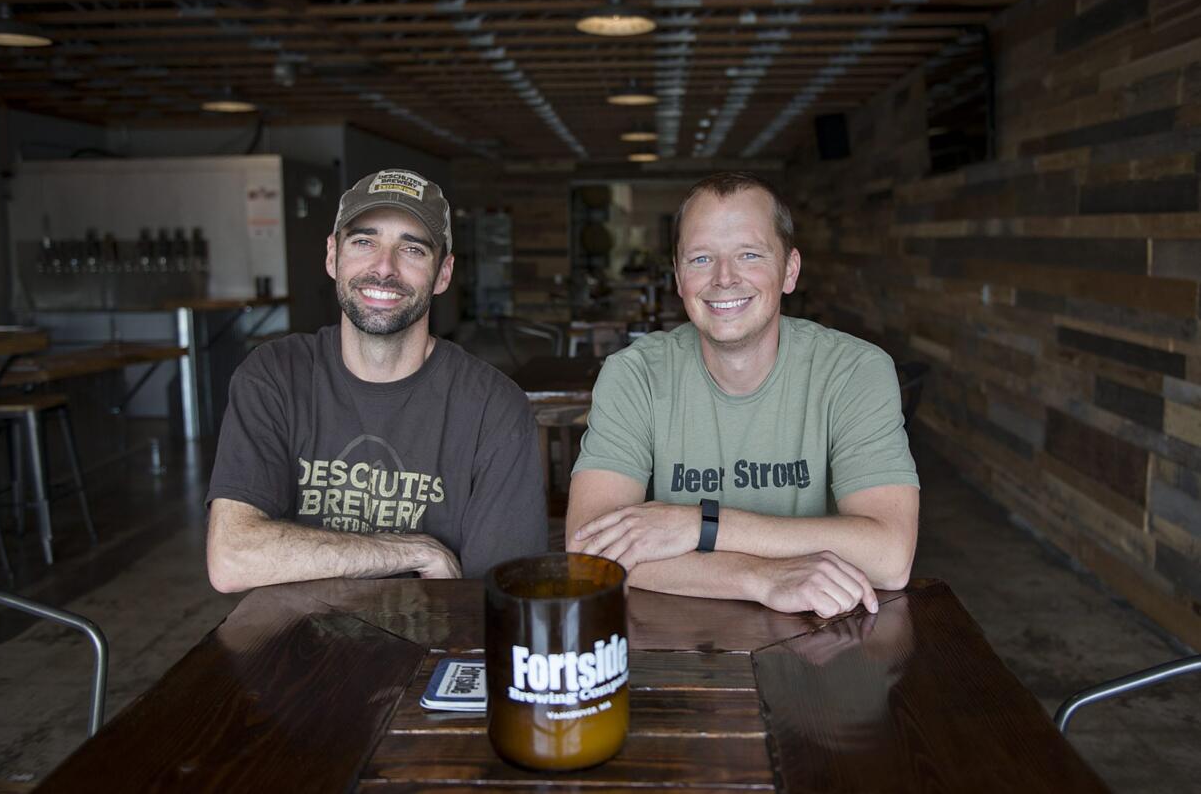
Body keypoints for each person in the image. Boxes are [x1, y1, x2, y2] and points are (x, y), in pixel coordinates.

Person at [566, 172, 918, 618]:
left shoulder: (855, 371)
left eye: (749, 255)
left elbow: (889, 557)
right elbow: (588, 553)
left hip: (822, 637)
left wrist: (698, 524)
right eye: (700, 259)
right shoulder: (634, 375)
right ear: (678, 277)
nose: (724, 278)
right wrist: (759, 578)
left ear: (789, 270)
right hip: (672, 638)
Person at [206, 169, 546, 592]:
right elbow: (231, 558)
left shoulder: (493, 408)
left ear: (443, 274)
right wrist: (412, 551)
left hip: (435, 646)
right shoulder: (274, 376)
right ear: (333, 256)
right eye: (364, 242)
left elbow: (506, 599)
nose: (384, 268)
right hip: (295, 646)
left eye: (413, 250)